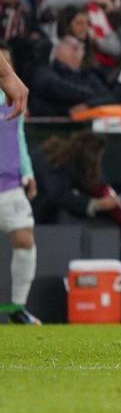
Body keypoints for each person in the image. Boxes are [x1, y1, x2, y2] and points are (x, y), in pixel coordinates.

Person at [0, 61, 38, 324]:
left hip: (9, 182)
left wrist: (28, 172)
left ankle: (18, 306)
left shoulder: (13, 96)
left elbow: (19, 137)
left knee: (24, 239)